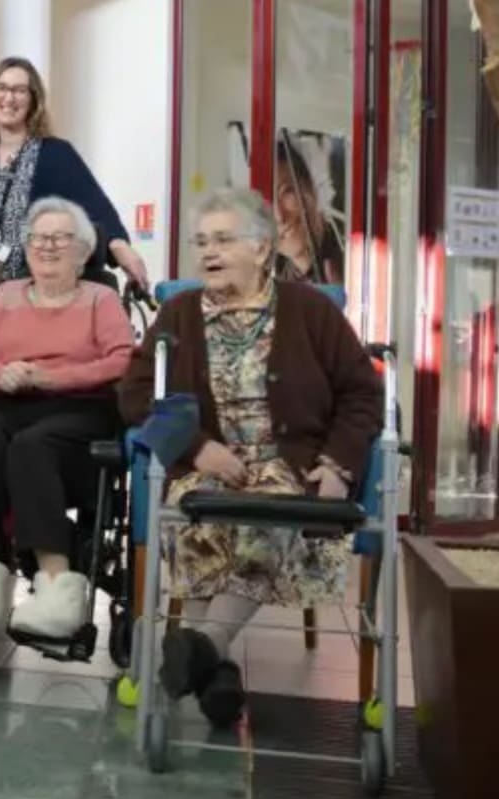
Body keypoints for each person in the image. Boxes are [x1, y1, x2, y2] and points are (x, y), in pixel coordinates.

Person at [117, 187, 383, 727]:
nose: (207, 252)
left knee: (268, 514)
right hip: (206, 466)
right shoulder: (179, 313)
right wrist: (196, 448)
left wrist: (337, 463)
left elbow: (363, 392)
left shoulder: (309, 309)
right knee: (196, 517)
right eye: (200, 242)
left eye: (222, 240)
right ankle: (211, 667)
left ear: (262, 249)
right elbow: (136, 394)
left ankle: (199, 647)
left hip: (292, 467)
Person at [0, 197, 133, 639]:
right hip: (5, 400)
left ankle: (55, 582)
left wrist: (54, 378)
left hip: (77, 408)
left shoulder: (101, 298)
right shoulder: (4, 295)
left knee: (34, 445)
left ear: (83, 250)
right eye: (38, 237)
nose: (47, 246)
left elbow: (123, 360)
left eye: (60, 238)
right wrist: (2, 373)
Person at [0, 56, 149, 290]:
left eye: (19, 90)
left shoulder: (56, 154)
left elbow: (95, 206)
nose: (9, 97)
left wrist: (120, 247)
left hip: (31, 293)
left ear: (33, 100)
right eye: (2, 88)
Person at [274, 137, 345, 285]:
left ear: (312, 187)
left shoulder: (353, 264)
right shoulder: (271, 281)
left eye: (287, 191)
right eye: (267, 204)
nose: (279, 216)